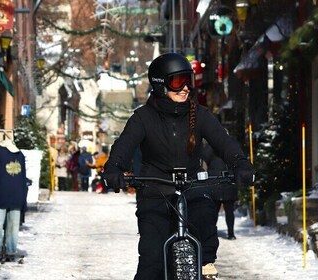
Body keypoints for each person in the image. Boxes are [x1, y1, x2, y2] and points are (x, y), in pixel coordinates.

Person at [103, 52, 255, 280]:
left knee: (205, 215)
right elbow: (123, 147)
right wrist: (114, 169)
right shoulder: (143, 118)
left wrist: (240, 163)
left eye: (188, 81)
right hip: (156, 191)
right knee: (151, 259)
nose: (185, 88)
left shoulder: (200, 115)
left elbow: (224, 142)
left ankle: (205, 266)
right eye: (177, 82)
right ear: (160, 85)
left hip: (192, 187)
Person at [0, 139, 28, 261]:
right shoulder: (20, 155)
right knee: (14, 224)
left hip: (1, 192)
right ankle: (11, 249)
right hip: (18, 193)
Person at [202, 141, 238, 240]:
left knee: (229, 211)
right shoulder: (210, 147)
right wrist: (214, 144)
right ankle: (211, 233)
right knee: (213, 212)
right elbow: (205, 156)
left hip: (228, 182)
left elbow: (236, 157)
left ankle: (231, 233)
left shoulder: (231, 145)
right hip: (214, 182)